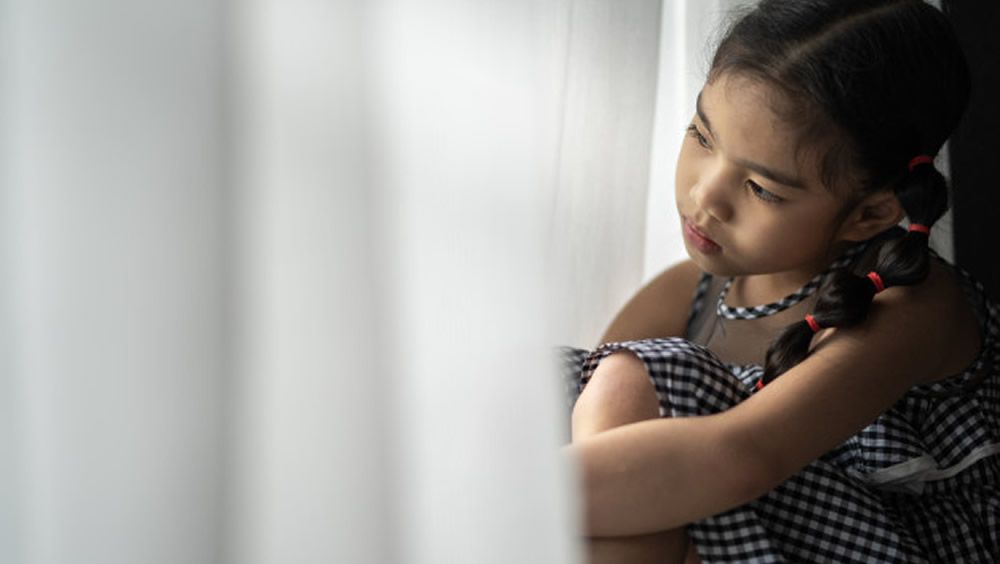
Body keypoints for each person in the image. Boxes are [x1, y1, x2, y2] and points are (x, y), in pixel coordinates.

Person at [559, 0, 999, 562]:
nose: (705, 196)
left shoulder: (911, 305)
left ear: (869, 213)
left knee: (649, 378)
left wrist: (482, 498)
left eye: (762, 189)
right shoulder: (684, 294)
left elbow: (742, 458)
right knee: (573, 384)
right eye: (702, 136)